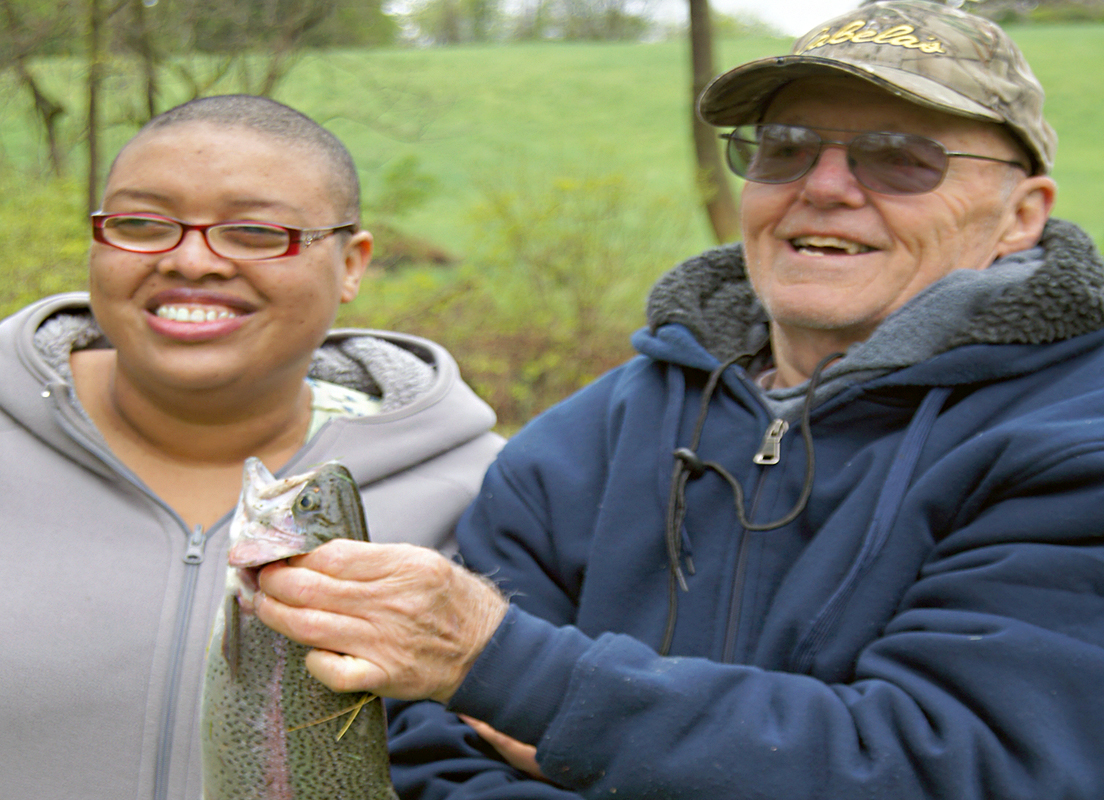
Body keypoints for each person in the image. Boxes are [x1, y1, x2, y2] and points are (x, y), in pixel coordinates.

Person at [249, 2, 1104, 798]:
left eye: (900, 157)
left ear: (1022, 214)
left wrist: (511, 670)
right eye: (785, 146)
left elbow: (962, 762)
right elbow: (432, 749)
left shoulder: (1072, 441)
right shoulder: (587, 439)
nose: (827, 185)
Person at [0, 94, 503, 799]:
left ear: (352, 263)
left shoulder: (493, 490)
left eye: (254, 230)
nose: (191, 261)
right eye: (142, 223)